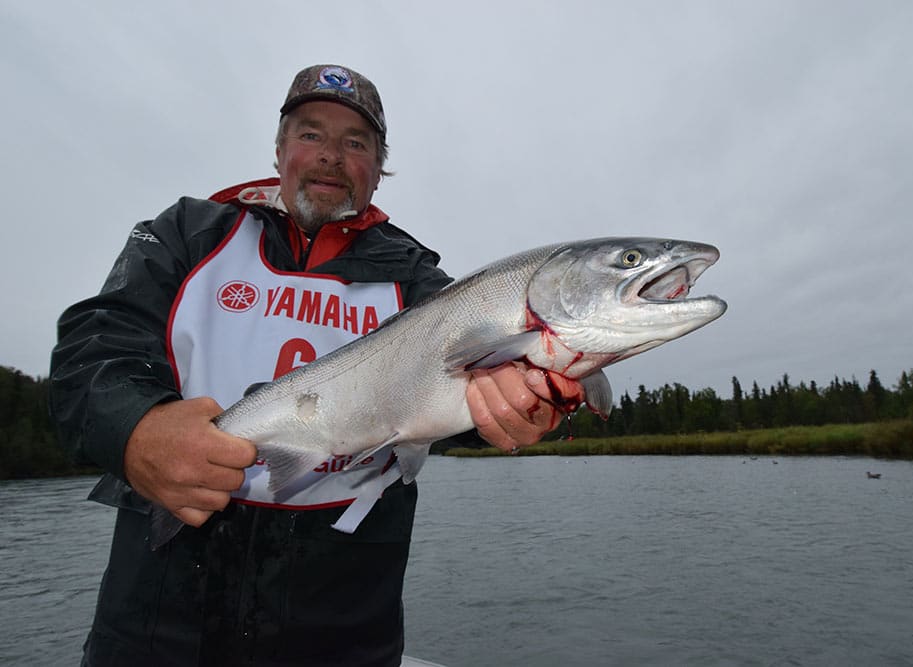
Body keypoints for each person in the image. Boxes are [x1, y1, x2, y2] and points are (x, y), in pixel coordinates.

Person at [49, 64, 580, 667]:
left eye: (356, 143)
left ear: (380, 169)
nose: (331, 156)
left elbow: (457, 408)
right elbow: (90, 350)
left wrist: (516, 411)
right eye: (310, 134)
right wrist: (135, 429)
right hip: (155, 628)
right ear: (279, 151)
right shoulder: (185, 235)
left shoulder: (423, 286)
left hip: (345, 631)